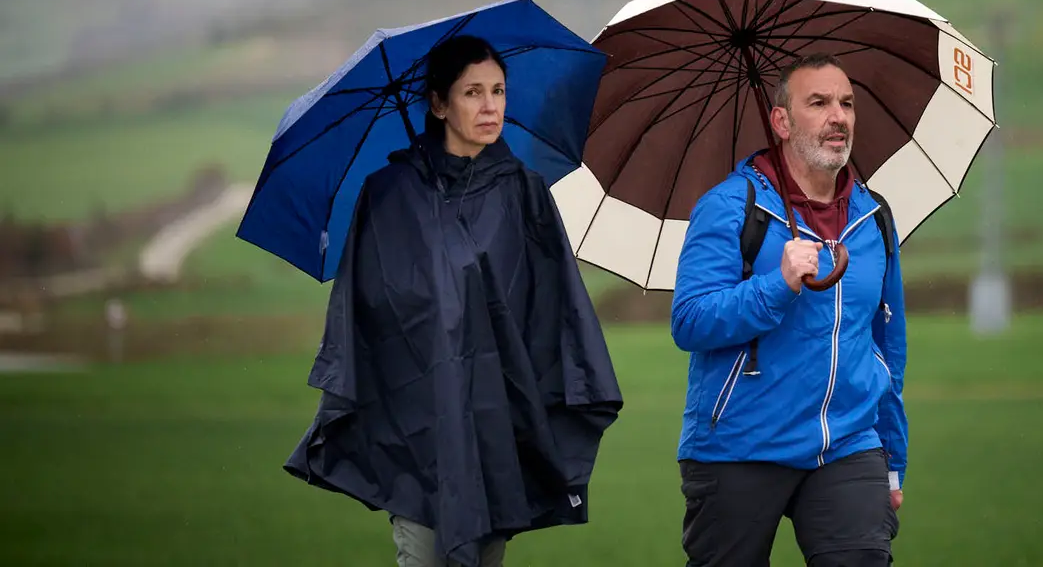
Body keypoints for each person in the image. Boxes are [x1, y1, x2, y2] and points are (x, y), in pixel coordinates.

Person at [284, 35, 624, 567]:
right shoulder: (389, 194)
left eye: (498, 91)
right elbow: (368, 312)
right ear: (439, 104)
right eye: (473, 93)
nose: (490, 107)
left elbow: (552, 306)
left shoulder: (524, 191)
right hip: (419, 422)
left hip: (500, 419)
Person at [670, 52, 908, 566]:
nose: (838, 116)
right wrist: (775, 285)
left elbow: (887, 348)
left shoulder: (874, 218)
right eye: (818, 103)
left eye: (846, 103)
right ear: (780, 121)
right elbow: (690, 321)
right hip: (740, 445)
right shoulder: (732, 208)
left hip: (846, 444)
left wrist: (893, 460)